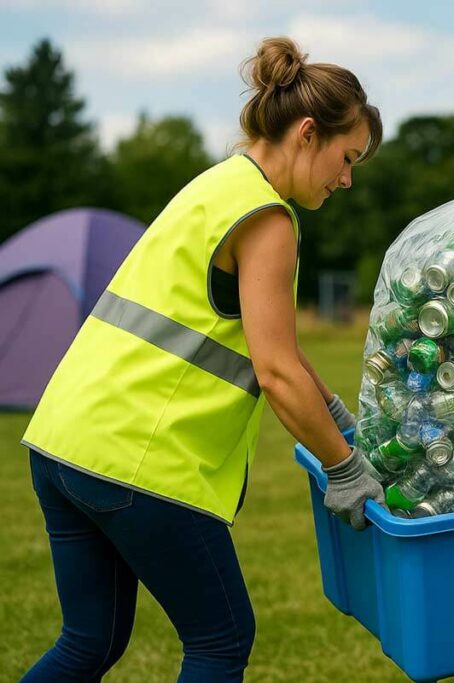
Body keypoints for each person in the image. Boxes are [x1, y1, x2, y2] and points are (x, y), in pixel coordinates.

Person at [20, 37, 385, 682]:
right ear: (308, 133)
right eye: (347, 157)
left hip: (62, 442)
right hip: (136, 461)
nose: (347, 179)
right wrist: (346, 469)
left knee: (88, 641)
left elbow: (273, 345)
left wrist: (330, 410)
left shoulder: (219, 184)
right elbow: (275, 372)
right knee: (221, 639)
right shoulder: (268, 220)